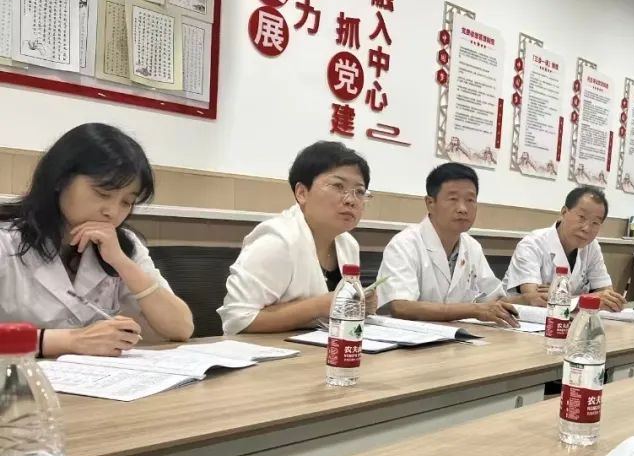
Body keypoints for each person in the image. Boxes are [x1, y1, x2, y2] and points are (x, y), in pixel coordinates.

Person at [0, 123, 193, 357]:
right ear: (60, 179)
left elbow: (181, 328)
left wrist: (122, 262)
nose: (112, 212)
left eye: (127, 202)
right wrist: (69, 341)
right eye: (102, 193)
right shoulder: (5, 240)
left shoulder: (123, 244)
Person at [219, 141, 377, 335]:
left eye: (359, 191)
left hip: (318, 349)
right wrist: (320, 305)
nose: (351, 200)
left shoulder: (348, 245)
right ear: (302, 193)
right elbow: (237, 320)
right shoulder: (277, 240)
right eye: (338, 186)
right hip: (266, 351)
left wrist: (359, 305)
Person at [377, 163, 522, 327]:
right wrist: (474, 310)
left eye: (470, 200)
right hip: (408, 338)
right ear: (430, 203)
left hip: (458, 336)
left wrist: (525, 300)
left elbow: (494, 298)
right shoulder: (404, 244)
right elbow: (401, 307)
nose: (463, 209)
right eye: (453, 199)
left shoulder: (472, 247)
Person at [504, 185, 625, 312]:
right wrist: (589, 298)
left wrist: (561, 295)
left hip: (570, 319)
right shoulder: (532, 244)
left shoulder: (592, 247)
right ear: (563, 212)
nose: (586, 228)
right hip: (522, 320)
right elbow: (536, 300)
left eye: (595, 223)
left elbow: (606, 295)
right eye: (581, 217)